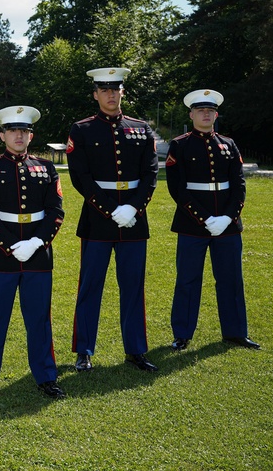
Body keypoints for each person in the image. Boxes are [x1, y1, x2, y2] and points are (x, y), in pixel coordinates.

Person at [67, 67, 158, 373]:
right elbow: (81, 176)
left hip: (134, 219)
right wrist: (110, 209)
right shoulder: (81, 130)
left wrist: (133, 208)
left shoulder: (141, 128)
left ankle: (136, 350)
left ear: (122, 92)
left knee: (133, 286)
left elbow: (151, 174)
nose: (110, 94)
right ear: (95, 94)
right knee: (91, 286)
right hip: (97, 219)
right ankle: (84, 350)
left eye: (114, 89)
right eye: (103, 90)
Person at [0, 106, 65, 401]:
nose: (19, 136)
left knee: (39, 318)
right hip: (1, 254)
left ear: (31, 135)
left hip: (38, 253)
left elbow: (55, 211)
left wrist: (37, 243)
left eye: (23, 131)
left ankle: (46, 376)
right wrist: (12, 245)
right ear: (2, 135)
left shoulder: (46, 167)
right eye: (13, 131)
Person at [166, 89, 260, 351]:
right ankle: (182, 334)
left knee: (231, 278)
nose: (205, 114)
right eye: (200, 110)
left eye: (210, 111)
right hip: (192, 224)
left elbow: (239, 186)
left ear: (216, 114)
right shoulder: (180, 145)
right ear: (191, 114)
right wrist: (205, 218)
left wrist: (229, 217)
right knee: (188, 279)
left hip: (228, 227)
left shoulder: (228, 144)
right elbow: (177, 189)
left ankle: (235, 331)